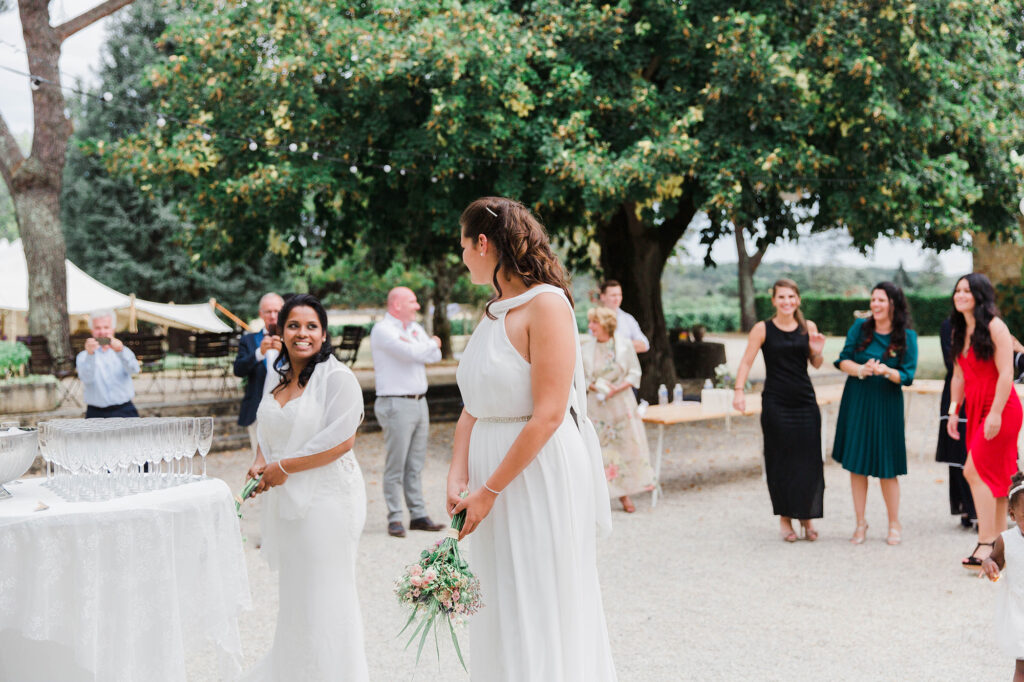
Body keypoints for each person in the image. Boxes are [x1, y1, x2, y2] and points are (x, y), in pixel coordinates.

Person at [448, 197, 616, 680]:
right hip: (485, 477)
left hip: (535, 472)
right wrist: (460, 475)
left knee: (538, 593)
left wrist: (489, 490)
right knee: (500, 594)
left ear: (483, 243)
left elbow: (546, 415)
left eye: (463, 245)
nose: (462, 257)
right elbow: (472, 404)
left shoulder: (547, 306)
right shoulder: (494, 312)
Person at [243, 293, 368, 681]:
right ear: (280, 330)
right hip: (289, 503)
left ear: (324, 333)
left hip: (329, 501)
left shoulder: (337, 378)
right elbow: (268, 427)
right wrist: (262, 461)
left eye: (311, 326)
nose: (302, 333)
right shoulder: (277, 375)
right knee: (297, 596)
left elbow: (341, 440)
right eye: (293, 325)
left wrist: (284, 467)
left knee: (326, 596)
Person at [732, 279, 826, 542]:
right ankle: (785, 518)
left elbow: (816, 363)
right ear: (773, 300)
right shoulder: (762, 329)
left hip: (805, 402)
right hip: (776, 403)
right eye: (781, 297)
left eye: (791, 297)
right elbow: (746, 362)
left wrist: (817, 352)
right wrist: (739, 391)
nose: (787, 302)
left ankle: (807, 516)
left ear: (798, 300)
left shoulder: (809, 327)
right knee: (781, 459)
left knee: (808, 460)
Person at [947, 273, 1024, 569]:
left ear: (980, 295)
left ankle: (987, 541)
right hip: (974, 407)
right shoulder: (958, 331)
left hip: (1001, 407)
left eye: (967, 290)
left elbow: (1006, 373)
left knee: (973, 471)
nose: (960, 295)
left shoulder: (995, 327)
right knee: (999, 477)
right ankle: (1005, 544)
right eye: (957, 290)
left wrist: (995, 412)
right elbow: (958, 375)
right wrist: (954, 411)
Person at [832, 282, 918, 546]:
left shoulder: (907, 336)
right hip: (858, 400)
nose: (875, 305)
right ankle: (860, 523)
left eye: (881, 300)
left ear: (894, 303)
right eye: (873, 300)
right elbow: (842, 359)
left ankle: (894, 522)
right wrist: (860, 369)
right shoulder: (860, 328)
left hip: (886, 403)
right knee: (857, 465)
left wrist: (886, 371)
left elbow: (907, 375)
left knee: (886, 467)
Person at [370, 286, 445, 538]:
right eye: (412, 302)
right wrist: (431, 343)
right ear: (397, 305)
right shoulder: (383, 330)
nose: (417, 307)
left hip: (419, 402)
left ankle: (418, 515)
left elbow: (435, 356)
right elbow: (415, 352)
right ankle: (395, 518)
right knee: (396, 464)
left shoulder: (413, 328)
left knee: (415, 464)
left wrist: (427, 347)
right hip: (395, 403)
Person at [582, 306, 655, 513]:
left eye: (594, 323)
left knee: (625, 447)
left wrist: (616, 388)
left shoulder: (624, 346)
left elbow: (634, 373)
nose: (590, 327)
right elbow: (583, 378)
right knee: (599, 451)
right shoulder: (586, 349)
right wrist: (597, 387)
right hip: (597, 407)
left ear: (605, 324)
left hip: (621, 404)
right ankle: (600, 497)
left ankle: (626, 494)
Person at [981, 471, 1024, 681]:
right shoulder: (1007, 540)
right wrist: (989, 565)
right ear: (1013, 515)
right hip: (1019, 611)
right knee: (1022, 666)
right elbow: (994, 560)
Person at [936, 316, 976, 529]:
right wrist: (953, 409)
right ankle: (967, 509)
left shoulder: (992, 325)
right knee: (959, 454)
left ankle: (987, 511)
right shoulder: (949, 325)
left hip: (982, 393)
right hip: (956, 392)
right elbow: (952, 364)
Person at [233, 293, 284, 457]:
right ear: (261, 314)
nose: (273, 316)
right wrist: (258, 353)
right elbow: (238, 370)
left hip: (287, 409)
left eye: (277, 311)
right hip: (257, 410)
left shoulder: (293, 339)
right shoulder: (249, 340)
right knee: (259, 462)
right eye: (268, 311)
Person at [76, 309, 140, 418]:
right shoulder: (83, 356)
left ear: (113, 329)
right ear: (92, 330)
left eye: (106, 327)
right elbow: (87, 379)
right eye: (98, 328)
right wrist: (90, 355)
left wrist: (121, 351)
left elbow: (134, 371)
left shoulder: (123, 351)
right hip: (95, 413)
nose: (102, 332)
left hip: (124, 409)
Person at [598, 280, 649, 354]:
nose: (617, 298)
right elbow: (597, 346)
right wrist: (629, 344)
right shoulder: (596, 319)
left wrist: (617, 344)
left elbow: (644, 345)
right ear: (602, 297)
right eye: (613, 295)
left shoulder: (628, 319)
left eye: (619, 295)